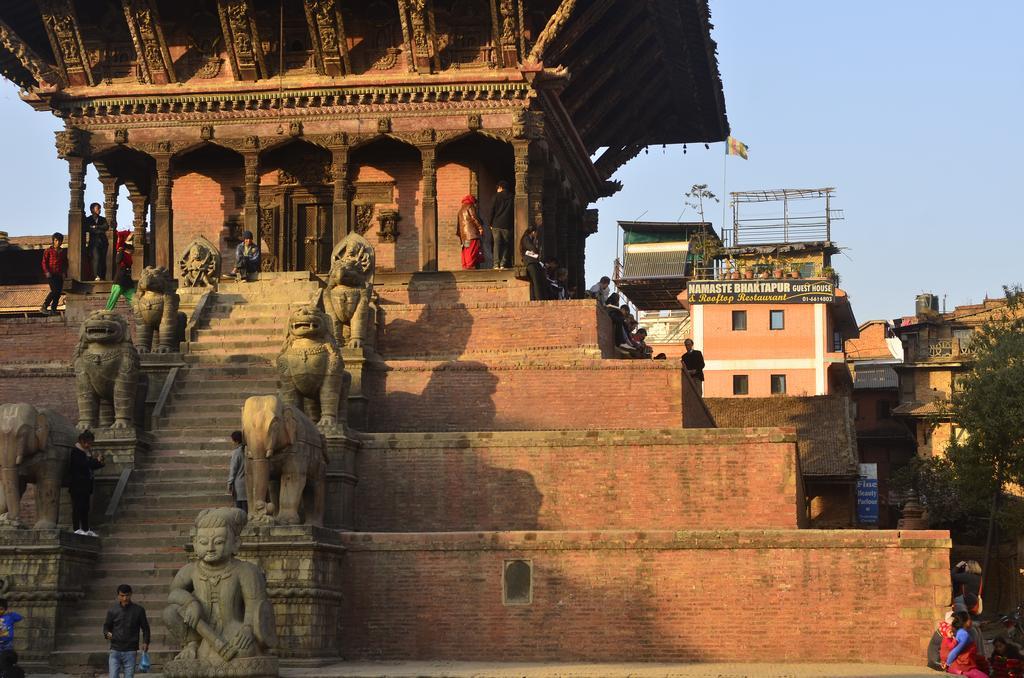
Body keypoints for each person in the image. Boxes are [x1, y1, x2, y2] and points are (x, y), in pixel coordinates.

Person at [103, 584, 150, 678]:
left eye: (127, 595)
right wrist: (107, 634)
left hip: (130, 650)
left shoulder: (139, 610)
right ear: (118, 596)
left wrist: (145, 642)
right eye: (122, 596)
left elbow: (145, 628)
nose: (125, 598)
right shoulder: (112, 611)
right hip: (115, 650)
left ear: (131, 594)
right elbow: (106, 626)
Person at [69, 429, 104, 537]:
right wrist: (95, 461)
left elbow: (91, 465)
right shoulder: (76, 451)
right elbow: (83, 464)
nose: (89, 445)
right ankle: (76, 528)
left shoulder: (87, 453)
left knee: (85, 508)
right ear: (82, 441)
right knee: (77, 506)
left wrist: (100, 462)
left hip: (86, 485)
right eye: (87, 443)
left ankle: (85, 528)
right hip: (77, 484)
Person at [940, 610, 988, 677]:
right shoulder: (963, 634)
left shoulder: (959, 632)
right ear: (964, 622)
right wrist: (948, 664)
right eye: (969, 619)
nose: (971, 621)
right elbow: (956, 651)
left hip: (962, 665)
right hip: (963, 667)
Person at [40, 232, 68, 315]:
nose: (58, 242)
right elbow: (44, 262)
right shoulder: (48, 251)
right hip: (51, 274)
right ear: (53, 241)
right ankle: (44, 306)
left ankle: (53, 310)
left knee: (58, 292)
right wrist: (47, 272)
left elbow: (65, 263)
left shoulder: (63, 252)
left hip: (59, 274)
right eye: (56, 240)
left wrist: (64, 273)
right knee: (54, 291)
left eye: (59, 241)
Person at [489, 180, 514, 269]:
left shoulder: (496, 196)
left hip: (496, 224)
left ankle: (496, 264)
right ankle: (503, 263)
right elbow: (513, 212)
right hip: (507, 224)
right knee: (506, 244)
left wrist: (490, 223)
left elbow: (492, 210)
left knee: (497, 244)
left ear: (500, 187)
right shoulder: (512, 197)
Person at [105, 242, 135, 310]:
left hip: (128, 283)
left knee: (134, 300)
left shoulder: (128, 259)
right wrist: (121, 250)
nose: (132, 254)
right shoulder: (121, 256)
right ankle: (106, 314)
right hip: (119, 282)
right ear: (128, 250)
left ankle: (140, 312)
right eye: (132, 252)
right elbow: (117, 260)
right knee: (112, 300)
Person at [457, 195, 484, 270]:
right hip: (472, 234)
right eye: (475, 202)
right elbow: (474, 218)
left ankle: (466, 265)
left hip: (465, 236)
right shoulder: (470, 206)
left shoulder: (461, 209)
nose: (475, 204)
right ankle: (470, 265)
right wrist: (480, 228)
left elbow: (458, 224)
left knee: (466, 249)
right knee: (472, 250)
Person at [520, 225, 547, 301]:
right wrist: (536, 247)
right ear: (533, 232)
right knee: (535, 281)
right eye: (536, 233)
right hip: (530, 263)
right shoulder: (526, 238)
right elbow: (533, 249)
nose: (536, 235)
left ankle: (536, 297)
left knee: (536, 281)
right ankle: (538, 298)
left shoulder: (530, 239)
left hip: (534, 262)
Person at [85, 202, 109, 281]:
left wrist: (96, 226)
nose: (99, 210)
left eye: (100, 208)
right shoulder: (88, 219)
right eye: (97, 208)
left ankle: (102, 276)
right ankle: (96, 275)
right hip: (94, 243)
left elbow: (106, 227)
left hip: (103, 242)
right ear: (92, 210)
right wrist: (99, 230)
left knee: (103, 259)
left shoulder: (102, 219)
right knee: (96, 258)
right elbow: (88, 229)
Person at [227, 430, 247, 513]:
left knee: (240, 509)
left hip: (239, 484)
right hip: (248, 483)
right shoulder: (247, 450)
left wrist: (229, 483)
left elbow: (233, 469)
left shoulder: (236, 452)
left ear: (236, 441)